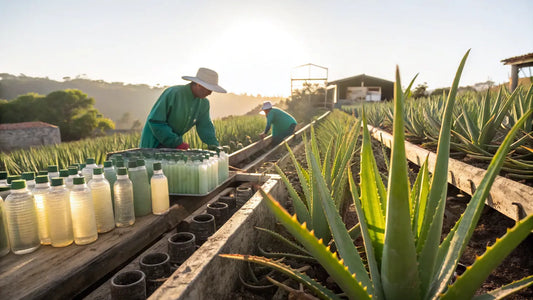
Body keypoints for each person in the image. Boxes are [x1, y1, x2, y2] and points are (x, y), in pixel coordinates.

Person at [140, 68, 226, 149]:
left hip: (172, 147)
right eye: (209, 89)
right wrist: (176, 143)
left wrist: (215, 146)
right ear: (198, 85)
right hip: (153, 144)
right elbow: (155, 121)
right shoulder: (173, 94)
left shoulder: (204, 103)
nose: (210, 93)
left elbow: (205, 126)